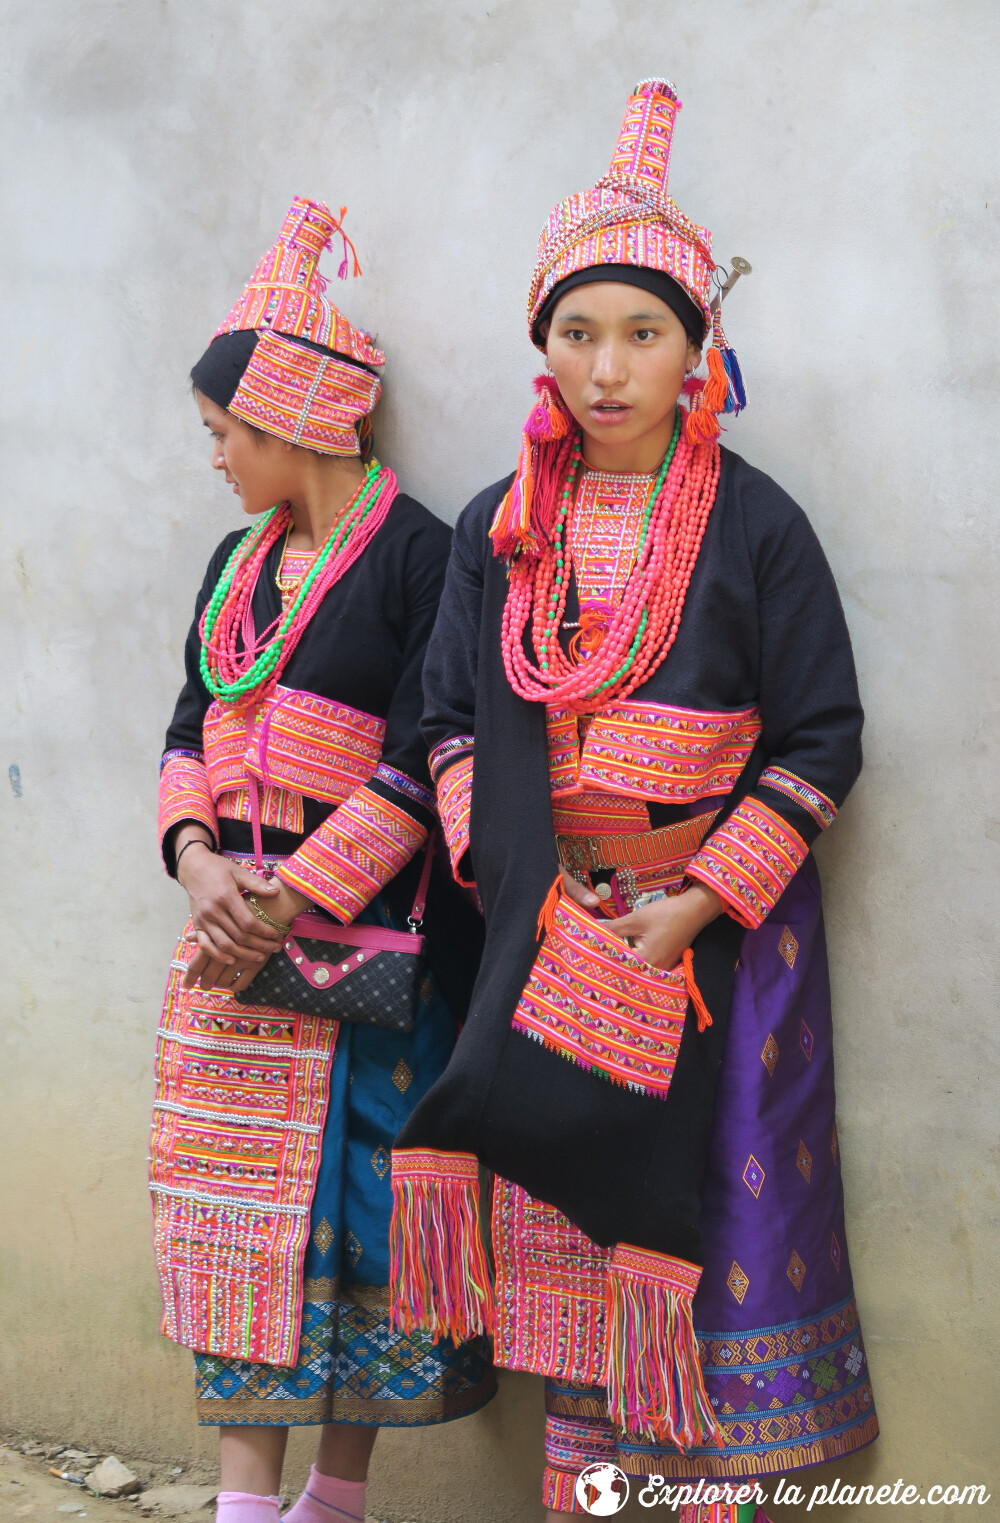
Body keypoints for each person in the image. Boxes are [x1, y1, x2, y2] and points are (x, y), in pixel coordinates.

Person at [388, 81, 878, 1520]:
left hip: (711, 946)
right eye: (577, 332)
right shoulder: (497, 528)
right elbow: (449, 720)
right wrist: (526, 887)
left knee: (705, 1246)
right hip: (543, 939)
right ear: (542, 346)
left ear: (695, 352)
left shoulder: (756, 524)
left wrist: (693, 903)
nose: (609, 368)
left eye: (643, 334)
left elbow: (824, 736)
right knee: (565, 1252)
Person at [150, 197, 494, 1523]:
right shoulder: (235, 568)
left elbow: (419, 758)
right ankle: (247, 1505)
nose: (217, 459)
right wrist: (196, 865)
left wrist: (292, 897)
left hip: (367, 966)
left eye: (223, 433)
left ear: (293, 420)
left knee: (349, 1238)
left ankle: (331, 1503)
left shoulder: (422, 559)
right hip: (227, 949)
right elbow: (190, 726)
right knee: (232, 1227)